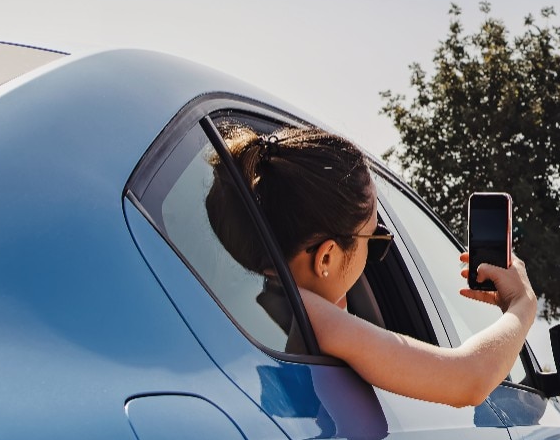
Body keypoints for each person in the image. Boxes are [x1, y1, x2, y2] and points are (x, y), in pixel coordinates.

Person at [205, 123, 535, 408]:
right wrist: (521, 306)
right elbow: (469, 379)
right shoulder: (316, 319)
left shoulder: (257, 303)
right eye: (371, 237)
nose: (373, 252)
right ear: (326, 257)